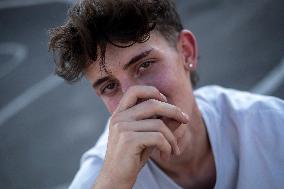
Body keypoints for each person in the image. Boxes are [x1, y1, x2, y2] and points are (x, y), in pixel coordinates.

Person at [48, 0, 284, 188]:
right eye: (109, 86)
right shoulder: (101, 177)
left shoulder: (270, 125)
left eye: (145, 64)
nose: (135, 98)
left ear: (186, 53)